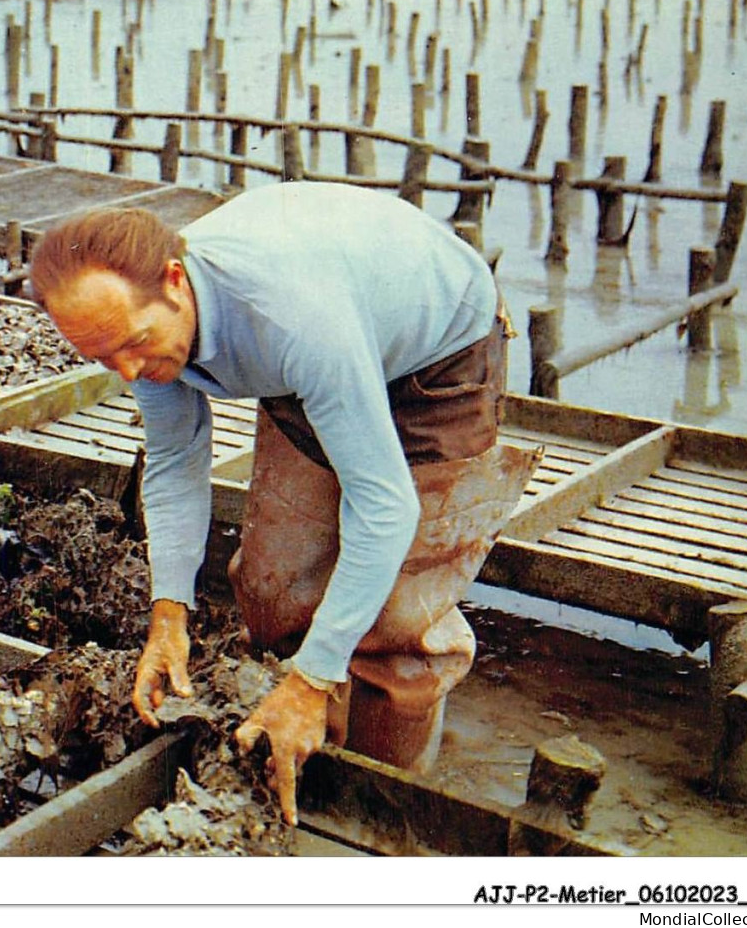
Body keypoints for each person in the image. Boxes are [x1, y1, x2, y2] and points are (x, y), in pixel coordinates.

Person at [28, 181, 538, 824]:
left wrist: (313, 678)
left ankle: (374, 814)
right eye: (105, 359)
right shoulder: (144, 341)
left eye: (133, 344)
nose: (128, 372)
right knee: (273, 583)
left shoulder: (292, 318)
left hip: (438, 351)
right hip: (330, 332)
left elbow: (384, 509)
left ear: (175, 282)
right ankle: (299, 740)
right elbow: (175, 460)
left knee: (398, 627)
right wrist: (169, 613)